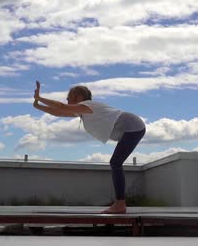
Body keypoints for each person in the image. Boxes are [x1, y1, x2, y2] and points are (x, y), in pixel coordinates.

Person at [32, 81, 145, 214]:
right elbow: (59, 113)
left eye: (69, 97)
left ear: (79, 97)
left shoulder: (87, 105)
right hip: (133, 127)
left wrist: (40, 98)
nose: (67, 100)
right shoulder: (83, 111)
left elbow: (62, 107)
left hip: (132, 126)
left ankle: (120, 204)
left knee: (115, 162)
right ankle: (120, 203)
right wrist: (38, 106)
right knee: (116, 162)